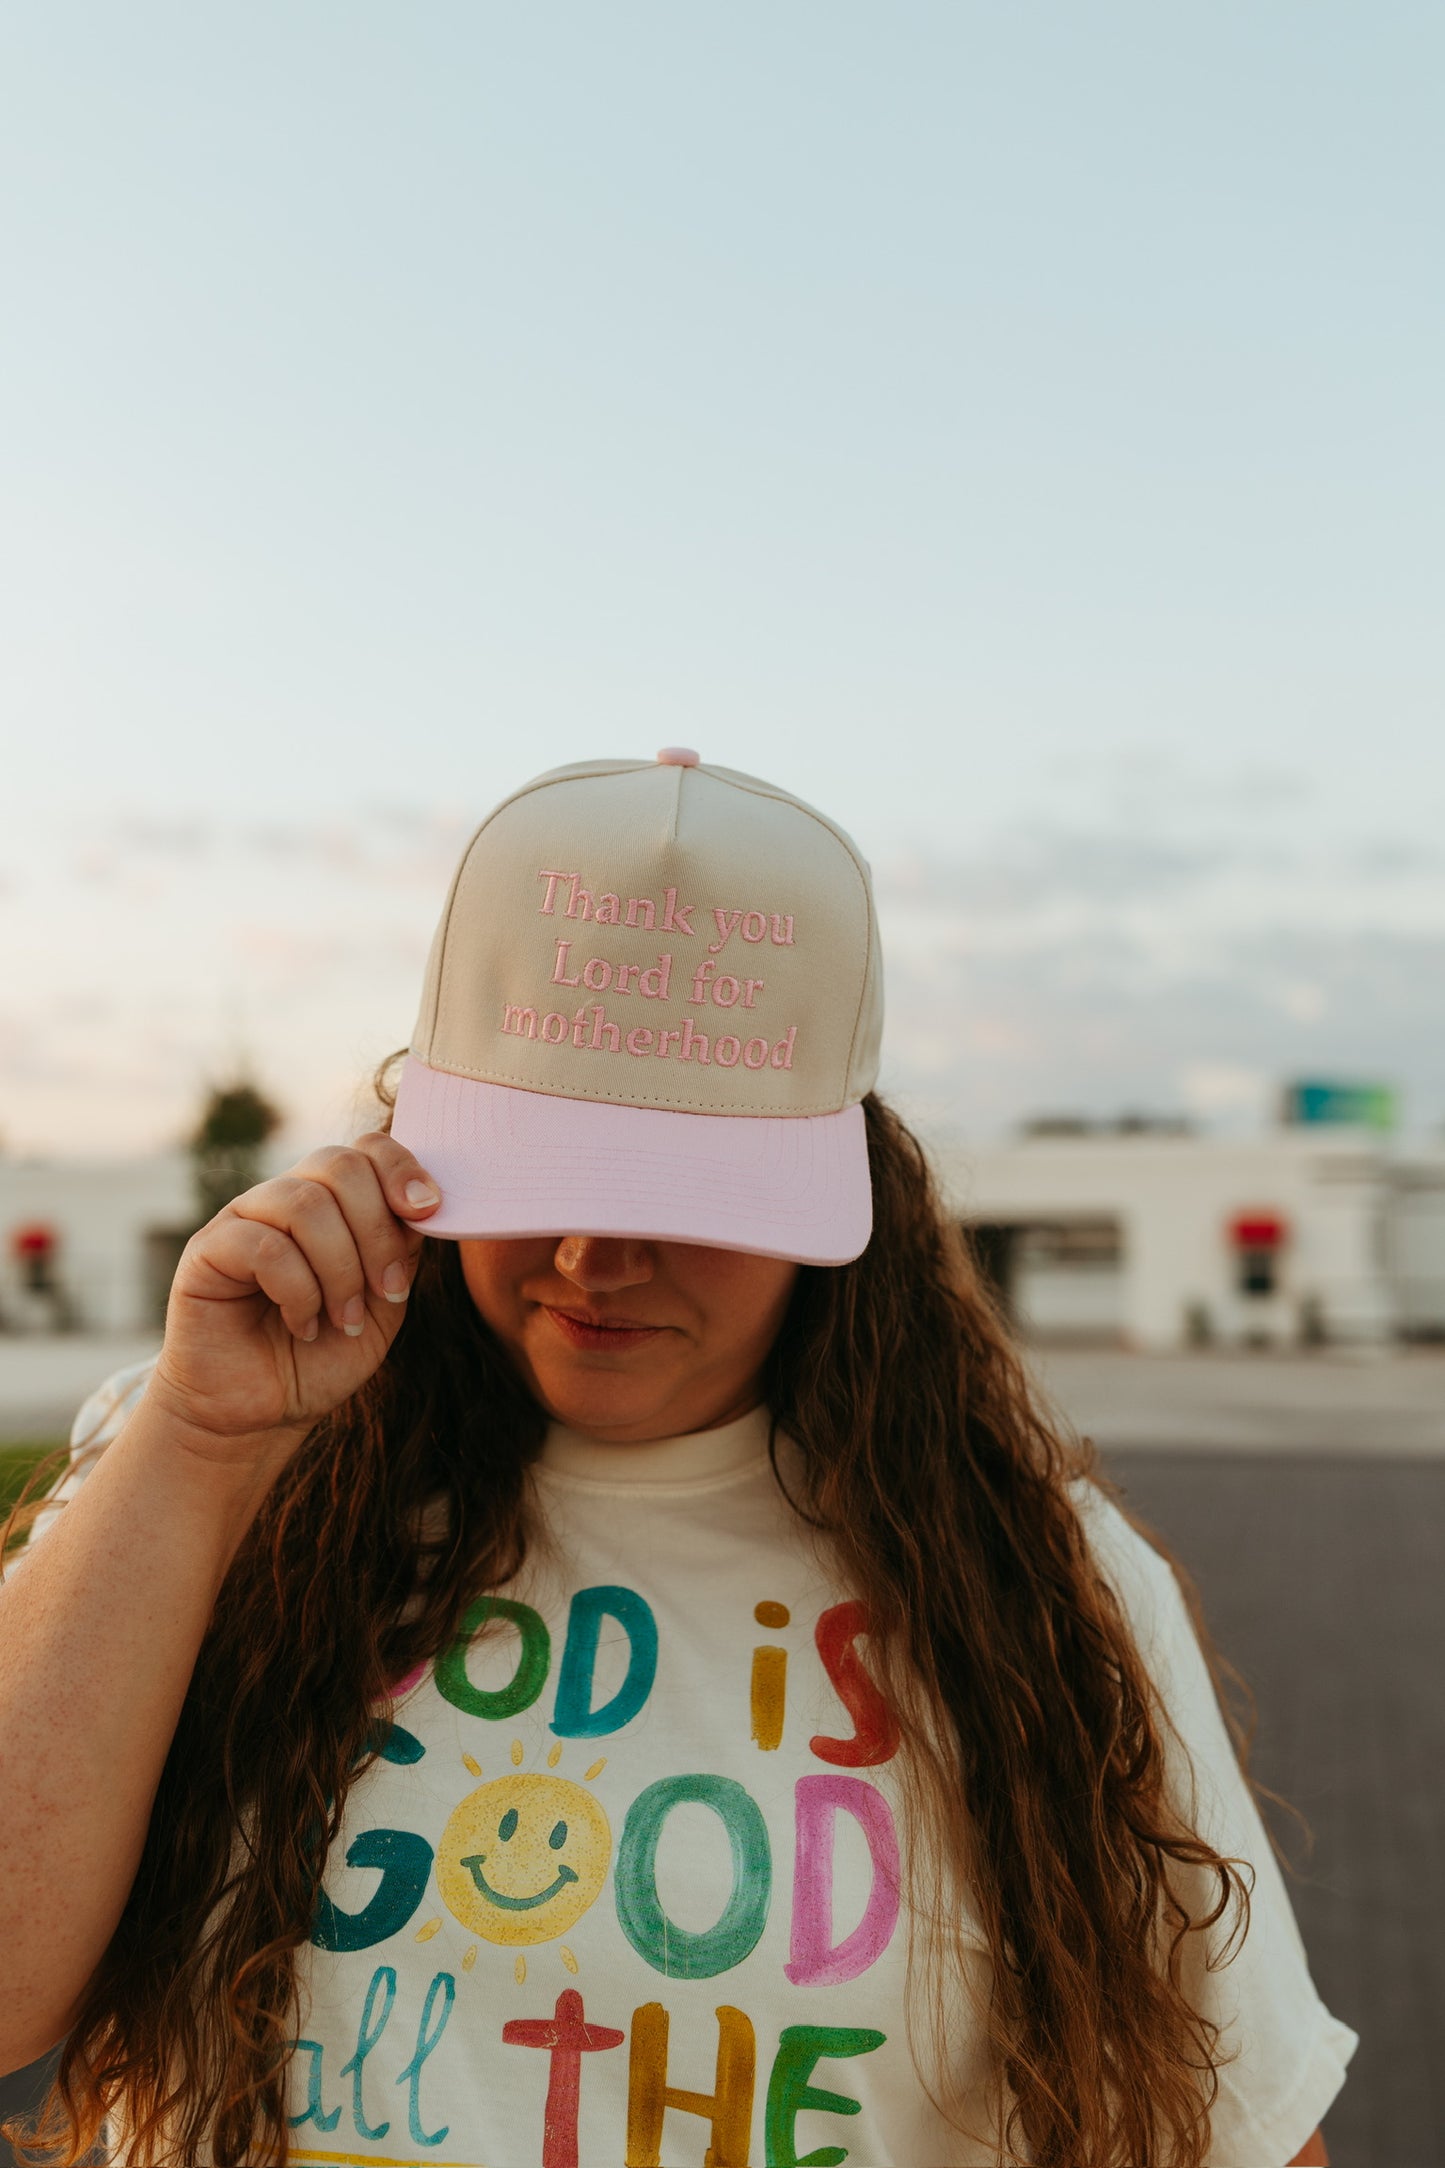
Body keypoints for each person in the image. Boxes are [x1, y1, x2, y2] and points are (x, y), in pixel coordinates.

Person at [0, 752, 1355, 2168]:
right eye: (540, 1175)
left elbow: (1245, 2131)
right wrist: (200, 1441)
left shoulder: (1033, 1573)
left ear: (842, 1195)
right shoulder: (207, 1456)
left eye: (680, 1190)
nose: (595, 1257)